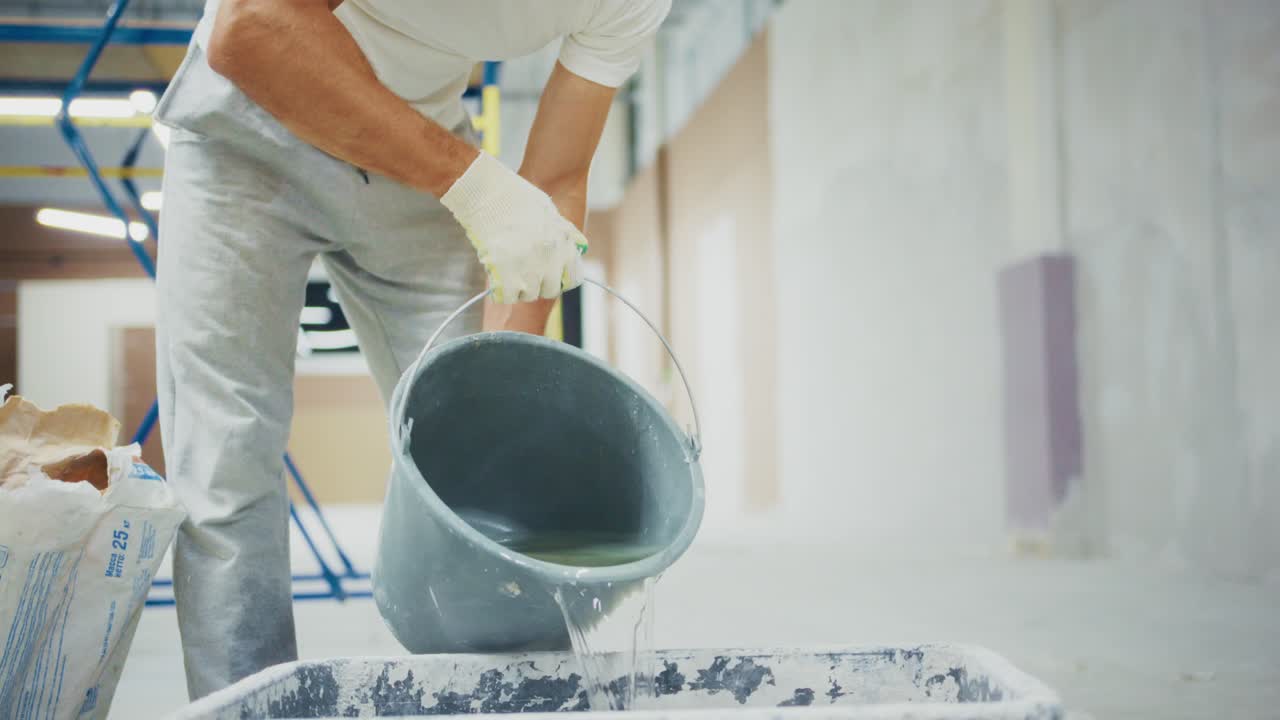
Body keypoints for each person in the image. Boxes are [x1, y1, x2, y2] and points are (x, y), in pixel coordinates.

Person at [152, 0, 671, 698]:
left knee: (492, 452)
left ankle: (503, 699)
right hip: (245, 130)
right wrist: (478, 187)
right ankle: (247, 706)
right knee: (225, 464)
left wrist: (499, 397)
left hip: (413, 144)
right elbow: (249, 27)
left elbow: (555, 180)